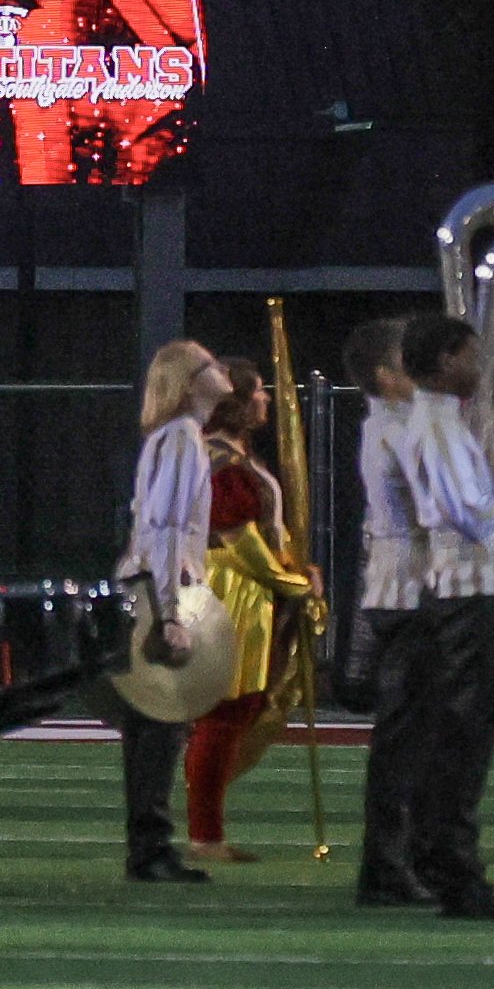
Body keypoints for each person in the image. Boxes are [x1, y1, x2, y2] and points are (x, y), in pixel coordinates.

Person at [387, 312, 494, 921]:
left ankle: (441, 855)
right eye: (471, 355)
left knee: (461, 735)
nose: (480, 366)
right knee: (463, 738)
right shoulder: (438, 426)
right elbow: (470, 517)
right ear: (447, 359)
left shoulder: (442, 422)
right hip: (474, 592)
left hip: (476, 589)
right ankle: (452, 864)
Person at [182, 359, 317, 864]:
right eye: (258, 393)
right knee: (224, 711)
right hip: (233, 589)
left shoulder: (231, 457)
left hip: (247, 587)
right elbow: (239, 540)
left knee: (237, 710)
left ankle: (207, 828)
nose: (266, 401)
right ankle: (204, 834)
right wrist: (291, 581)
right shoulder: (221, 462)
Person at [116, 340, 225, 885]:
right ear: (187, 381)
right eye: (208, 365)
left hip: (149, 584)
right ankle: (150, 847)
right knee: (163, 722)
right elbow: (162, 530)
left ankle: (148, 844)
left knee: (151, 724)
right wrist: (168, 614)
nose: (221, 370)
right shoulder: (182, 437)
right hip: (161, 589)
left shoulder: (177, 437)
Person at [343, 317, 431, 905]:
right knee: (406, 739)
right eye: (410, 357)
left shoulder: (401, 426)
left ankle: (399, 861)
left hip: (407, 586)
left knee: (414, 737)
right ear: (385, 375)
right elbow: (439, 512)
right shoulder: (395, 432)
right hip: (409, 591)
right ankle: (387, 867)